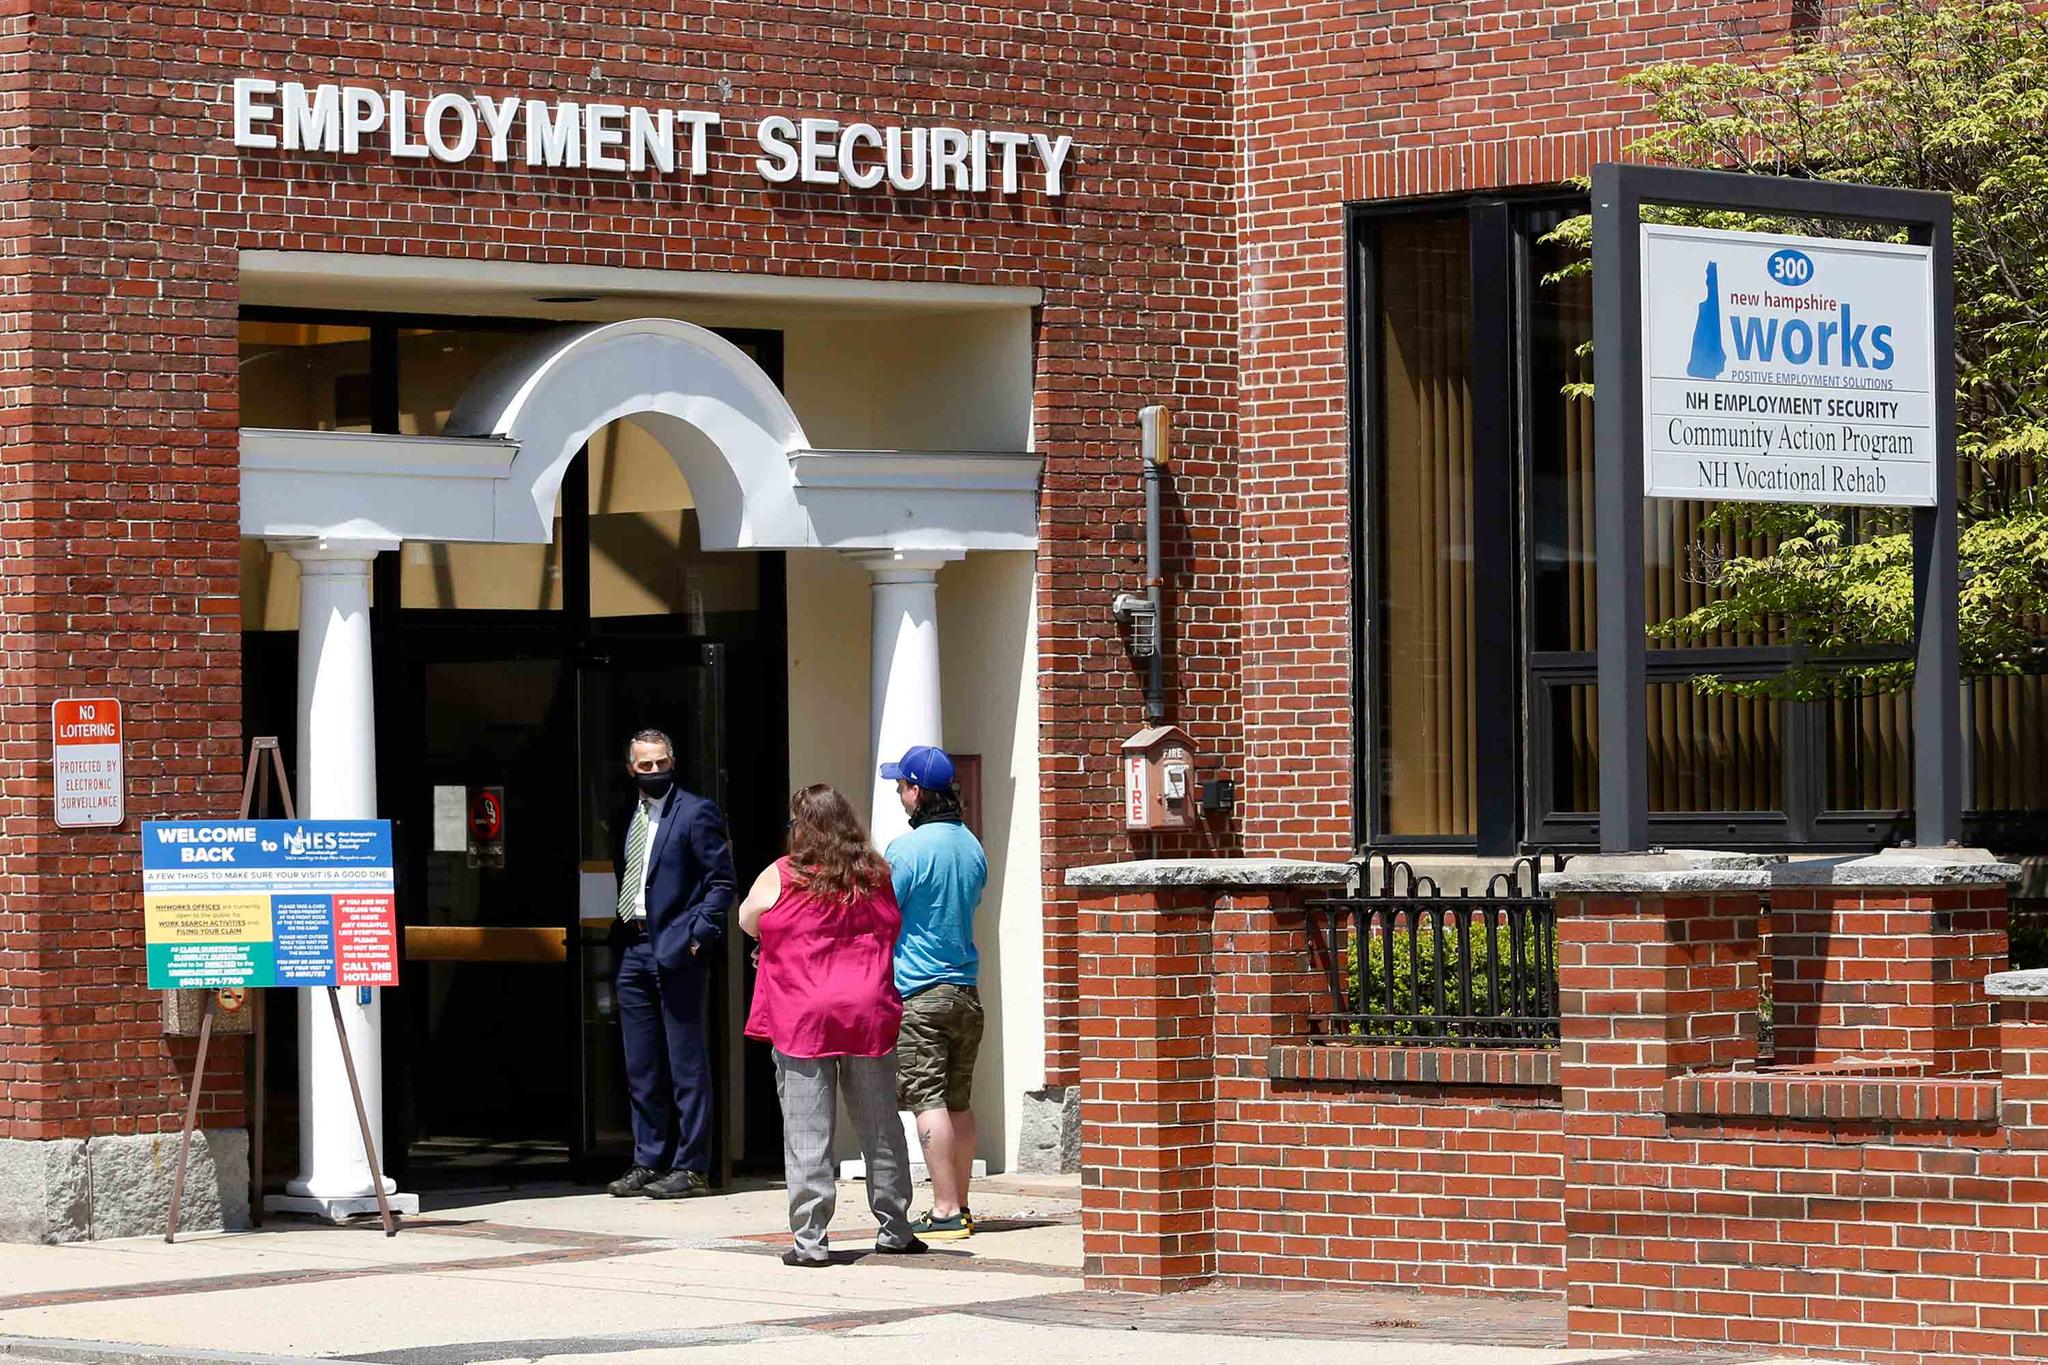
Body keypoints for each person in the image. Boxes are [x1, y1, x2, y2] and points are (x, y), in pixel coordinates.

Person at [738, 784, 926, 1266]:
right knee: (880, 1123)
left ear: (803, 826)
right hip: (866, 1011)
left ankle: (811, 1240)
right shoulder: (875, 872)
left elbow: (748, 919)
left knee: (807, 1132)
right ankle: (896, 1227)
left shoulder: (783, 873)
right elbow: (892, 924)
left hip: (804, 1014)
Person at [606, 728, 734, 1200]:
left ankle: (691, 1166)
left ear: (673, 761)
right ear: (631, 769)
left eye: (662, 763)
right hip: (631, 948)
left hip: (677, 949)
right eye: (646, 766)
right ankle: (648, 1159)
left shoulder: (696, 811)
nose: (656, 771)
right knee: (641, 1065)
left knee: (686, 1062)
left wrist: (697, 937)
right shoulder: (623, 815)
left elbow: (721, 883)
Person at [880, 745, 988, 1241]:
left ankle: (945, 1209)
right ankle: (960, 1204)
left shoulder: (907, 850)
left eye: (901, 786)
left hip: (920, 992)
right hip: (965, 989)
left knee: (928, 1100)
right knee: (959, 1100)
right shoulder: (971, 845)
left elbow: (883, 916)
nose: (900, 795)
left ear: (917, 791)